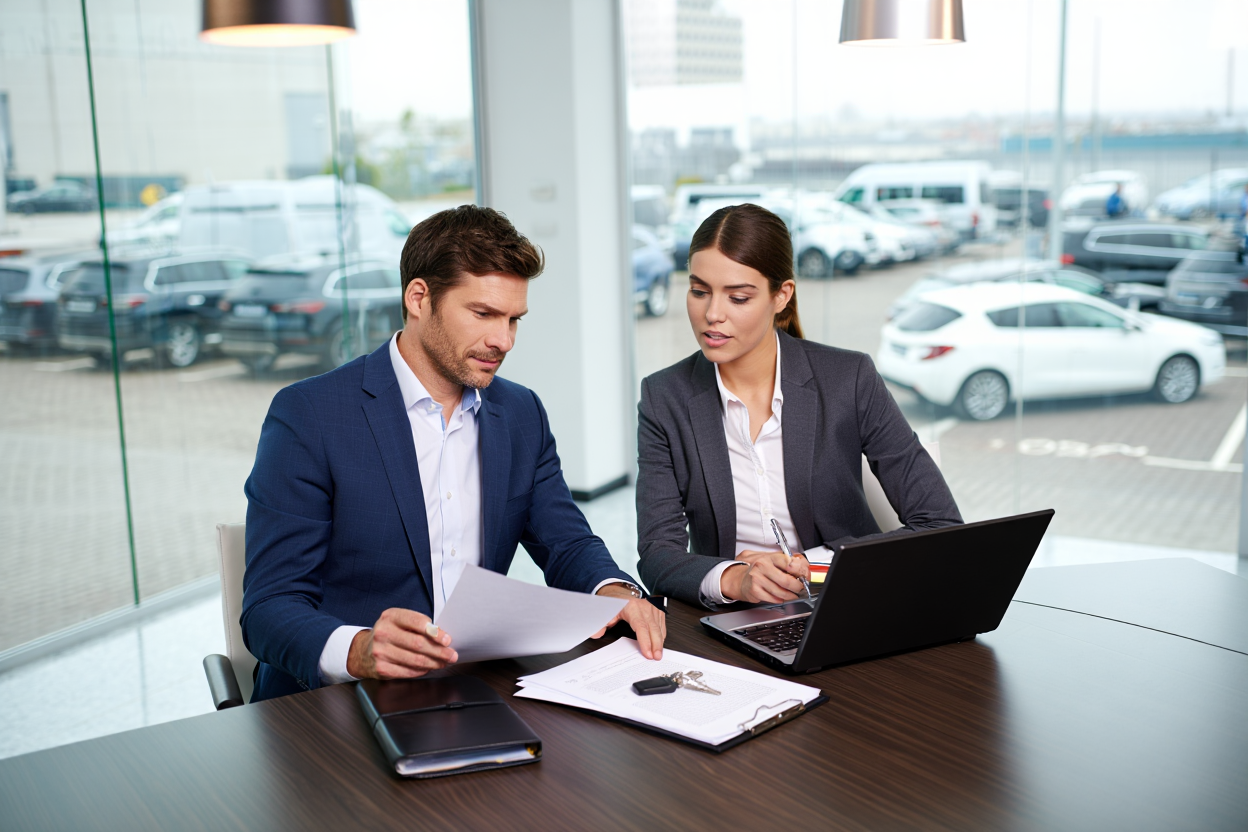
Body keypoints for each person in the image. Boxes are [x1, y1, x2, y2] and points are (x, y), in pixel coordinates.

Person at [242, 206, 666, 702]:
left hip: (468, 689)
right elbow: (271, 605)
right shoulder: (310, 415)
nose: (502, 340)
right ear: (419, 298)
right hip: (336, 702)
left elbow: (566, 542)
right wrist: (358, 649)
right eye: (483, 314)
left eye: (513, 320)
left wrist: (613, 593)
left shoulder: (521, 412)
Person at [635, 203, 962, 608]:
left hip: (848, 602)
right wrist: (736, 579)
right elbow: (656, 554)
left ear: (781, 296)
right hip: (732, 617)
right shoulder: (664, 397)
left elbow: (940, 525)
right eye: (699, 291)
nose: (711, 314)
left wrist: (809, 567)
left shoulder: (849, 378)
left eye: (738, 297)